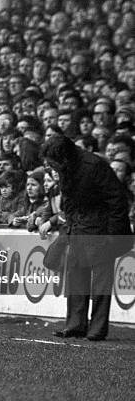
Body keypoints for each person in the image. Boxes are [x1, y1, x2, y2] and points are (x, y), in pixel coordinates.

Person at [42, 135, 131, 341]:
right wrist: (70, 226)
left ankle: (97, 328)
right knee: (75, 277)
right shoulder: (67, 167)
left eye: (53, 162)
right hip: (79, 227)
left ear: (62, 157)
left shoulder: (94, 165)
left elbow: (117, 201)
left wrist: (113, 237)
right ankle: (75, 325)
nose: (51, 166)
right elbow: (69, 202)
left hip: (102, 229)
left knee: (100, 283)